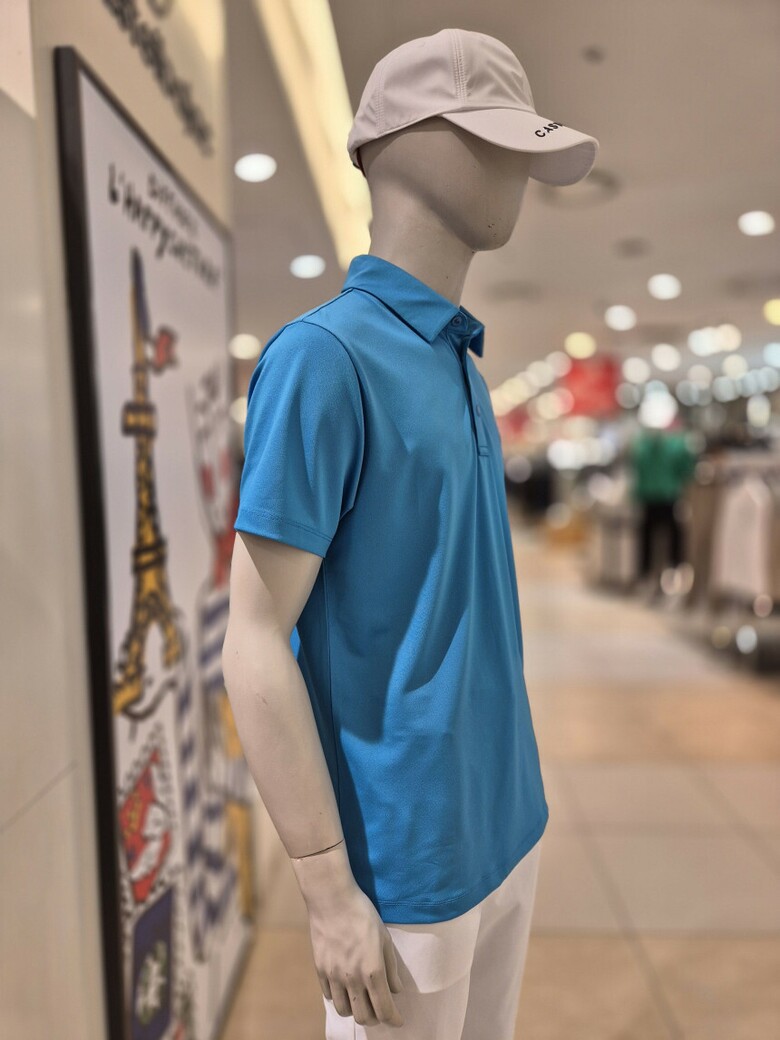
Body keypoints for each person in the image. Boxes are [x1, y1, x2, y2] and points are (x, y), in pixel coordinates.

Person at [223, 28, 599, 1039]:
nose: (518, 173)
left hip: (505, 819)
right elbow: (251, 638)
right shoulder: (323, 358)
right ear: (410, 142)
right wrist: (325, 885)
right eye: (495, 140)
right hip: (403, 864)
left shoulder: (462, 364)